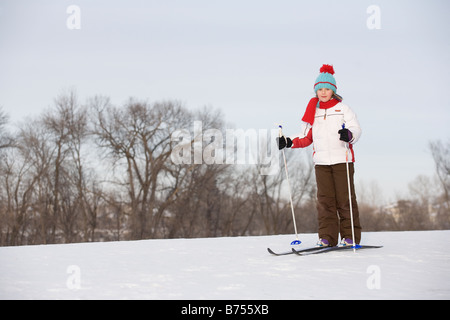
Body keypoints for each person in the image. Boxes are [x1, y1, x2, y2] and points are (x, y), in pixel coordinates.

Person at [277, 64, 362, 247]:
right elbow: (306, 137)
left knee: (345, 200)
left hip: (343, 161)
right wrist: (289, 141)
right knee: (325, 202)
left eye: (327, 89)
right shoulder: (312, 112)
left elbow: (355, 129)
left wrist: (349, 135)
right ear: (316, 91)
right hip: (322, 163)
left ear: (333, 90)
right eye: (320, 89)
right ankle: (327, 238)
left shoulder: (343, 109)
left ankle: (350, 237)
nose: (323, 92)